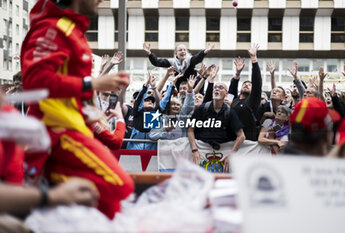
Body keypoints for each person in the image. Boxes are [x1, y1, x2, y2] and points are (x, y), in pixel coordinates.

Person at [21, 0, 134, 219]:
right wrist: (94, 84)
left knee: (110, 209)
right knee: (120, 186)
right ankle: (48, 185)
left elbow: (71, 94)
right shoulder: (53, 27)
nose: (102, 0)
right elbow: (35, 82)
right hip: (57, 131)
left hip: (73, 128)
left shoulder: (72, 29)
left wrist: (93, 113)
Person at [188, 82, 245, 172]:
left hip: (224, 151)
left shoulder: (230, 112)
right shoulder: (202, 108)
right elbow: (190, 130)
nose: (217, 89)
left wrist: (231, 154)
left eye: (221, 87)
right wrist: (194, 150)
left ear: (226, 94)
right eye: (215, 87)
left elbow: (241, 136)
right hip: (201, 150)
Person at [143, 42, 214, 90]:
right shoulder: (172, 62)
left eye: (184, 50)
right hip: (180, 90)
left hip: (194, 89)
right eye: (180, 50)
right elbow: (157, 62)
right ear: (176, 53)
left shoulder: (190, 60)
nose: (183, 51)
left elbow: (197, 58)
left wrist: (205, 51)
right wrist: (149, 53)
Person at [228, 44, 262, 141]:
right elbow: (232, 90)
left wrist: (254, 59)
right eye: (244, 84)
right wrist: (237, 73)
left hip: (248, 142)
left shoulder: (253, 101)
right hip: (230, 140)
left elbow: (257, 82)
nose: (246, 85)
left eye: (249, 85)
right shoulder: (233, 100)